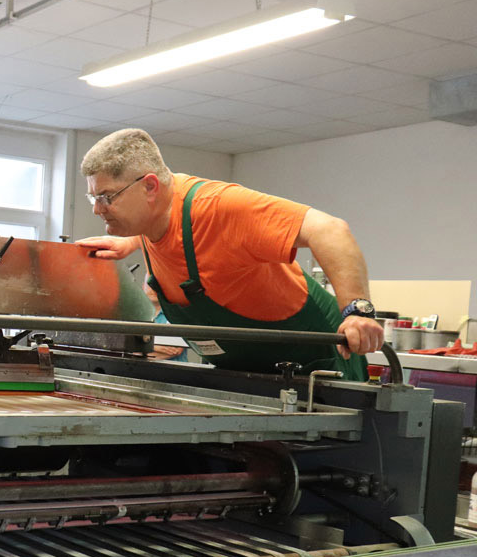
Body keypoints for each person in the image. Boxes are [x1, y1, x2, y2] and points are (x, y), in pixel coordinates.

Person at [75, 129, 382, 380]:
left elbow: (330, 229)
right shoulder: (155, 220)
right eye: (93, 196)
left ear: (150, 187)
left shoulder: (219, 207)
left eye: (106, 197)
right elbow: (178, 236)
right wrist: (131, 243)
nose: (96, 208)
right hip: (245, 373)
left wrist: (356, 311)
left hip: (316, 367)